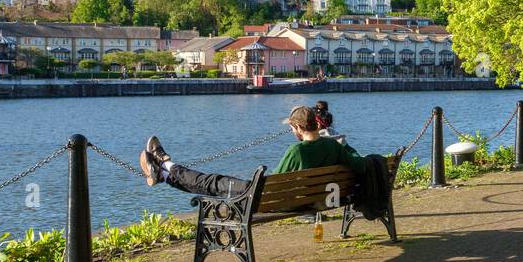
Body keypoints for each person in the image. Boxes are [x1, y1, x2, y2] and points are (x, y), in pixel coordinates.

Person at [139, 105, 365, 196]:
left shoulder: (297, 151)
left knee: (213, 182)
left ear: (297, 128)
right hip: (307, 197)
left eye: (291, 127)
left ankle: (166, 167)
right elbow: (357, 163)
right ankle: (164, 171)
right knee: (214, 182)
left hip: (259, 197)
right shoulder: (333, 146)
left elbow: (275, 184)